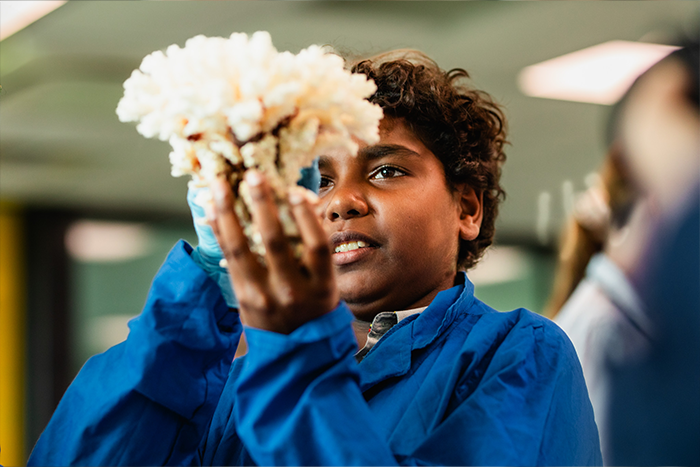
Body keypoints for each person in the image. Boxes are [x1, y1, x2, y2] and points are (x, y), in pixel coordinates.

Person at [28, 49, 601, 466]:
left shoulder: (519, 353)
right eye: (317, 181)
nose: (341, 202)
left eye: (386, 171)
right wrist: (205, 296)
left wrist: (297, 345)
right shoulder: (248, 380)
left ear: (467, 209)